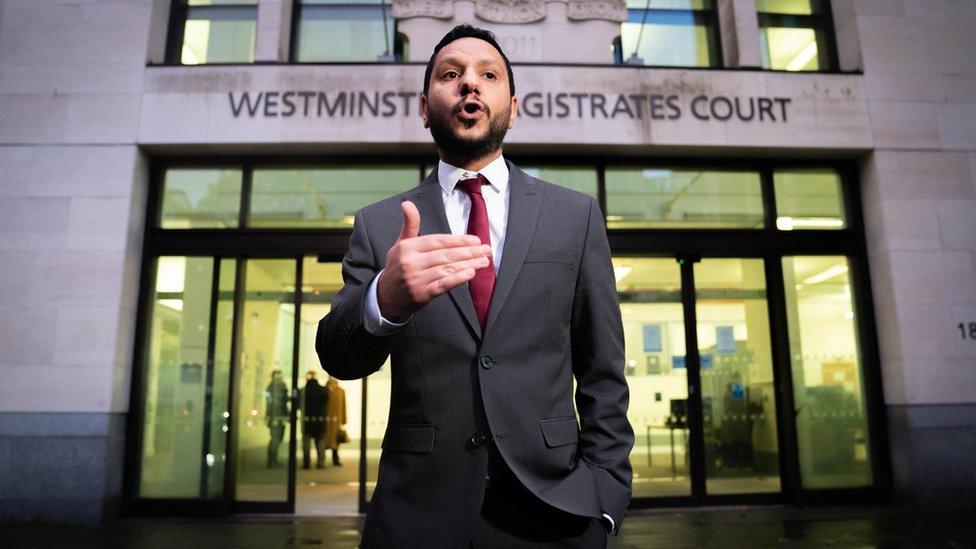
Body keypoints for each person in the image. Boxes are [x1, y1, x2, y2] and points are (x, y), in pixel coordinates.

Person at [316, 24, 633, 547]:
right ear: (424, 108)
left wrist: (605, 500)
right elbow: (338, 357)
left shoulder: (573, 216)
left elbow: (603, 370)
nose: (469, 84)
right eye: (450, 74)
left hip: (555, 511)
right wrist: (383, 303)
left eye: (488, 74)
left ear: (512, 103)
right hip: (418, 513)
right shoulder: (380, 224)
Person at [300, 370, 329, 469]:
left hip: (306, 420)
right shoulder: (323, 390)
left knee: (306, 441)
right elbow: (326, 404)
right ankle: (321, 462)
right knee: (320, 441)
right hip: (320, 420)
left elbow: (299, 405)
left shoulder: (303, 391)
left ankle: (306, 462)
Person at [264, 369, 289, 468]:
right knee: (275, 439)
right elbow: (276, 403)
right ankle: (272, 461)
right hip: (277, 417)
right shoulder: (276, 387)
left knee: (276, 439)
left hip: (277, 417)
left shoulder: (275, 386)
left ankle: (273, 460)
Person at [324, 377, 347, 466]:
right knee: (325, 441)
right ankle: (322, 460)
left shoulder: (341, 391)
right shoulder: (324, 390)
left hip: (336, 421)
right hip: (326, 420)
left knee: (336, 441)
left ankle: (335, 459)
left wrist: (344, 419)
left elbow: (344, 406)